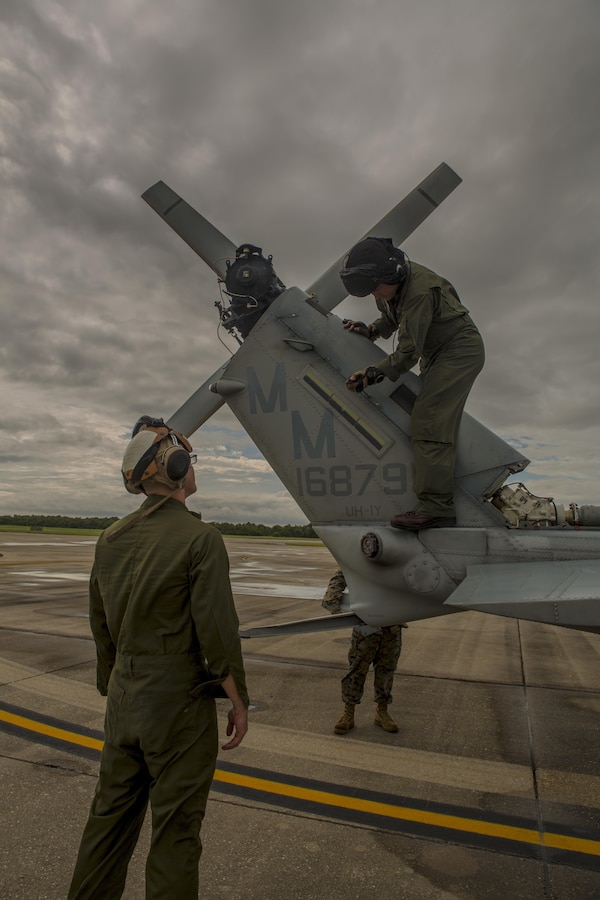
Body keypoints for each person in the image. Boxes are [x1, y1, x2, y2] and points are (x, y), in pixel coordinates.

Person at [68, 416, 249, 900]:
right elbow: (217, 633)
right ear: (175, 466)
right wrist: (237, 700)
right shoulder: (201, 539)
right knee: (176, 834)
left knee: (106, 825)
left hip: (124, 702)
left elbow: (100, 624)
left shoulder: (109, 539)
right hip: (177, 708)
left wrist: (114, 685)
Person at [340, 236, 485, 530]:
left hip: (458, 352)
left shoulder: (419, 291)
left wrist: (372, 373)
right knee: (425, 417)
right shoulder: (389, 285)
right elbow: (393, 317)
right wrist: (371, 330)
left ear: (389, 275)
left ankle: (437, 507)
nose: (374, 295)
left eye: (375, 289)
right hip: (436, 354)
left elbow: (407, 354)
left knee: (429, 420)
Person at [322, 570, 404, 735]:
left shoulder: (398, 562)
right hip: (366, 624)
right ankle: (348, 714)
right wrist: (333, 602)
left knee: (386, 670)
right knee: (357, 669)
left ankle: (382, 712)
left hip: (392, 624)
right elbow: (341, 575)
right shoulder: (365, 558)